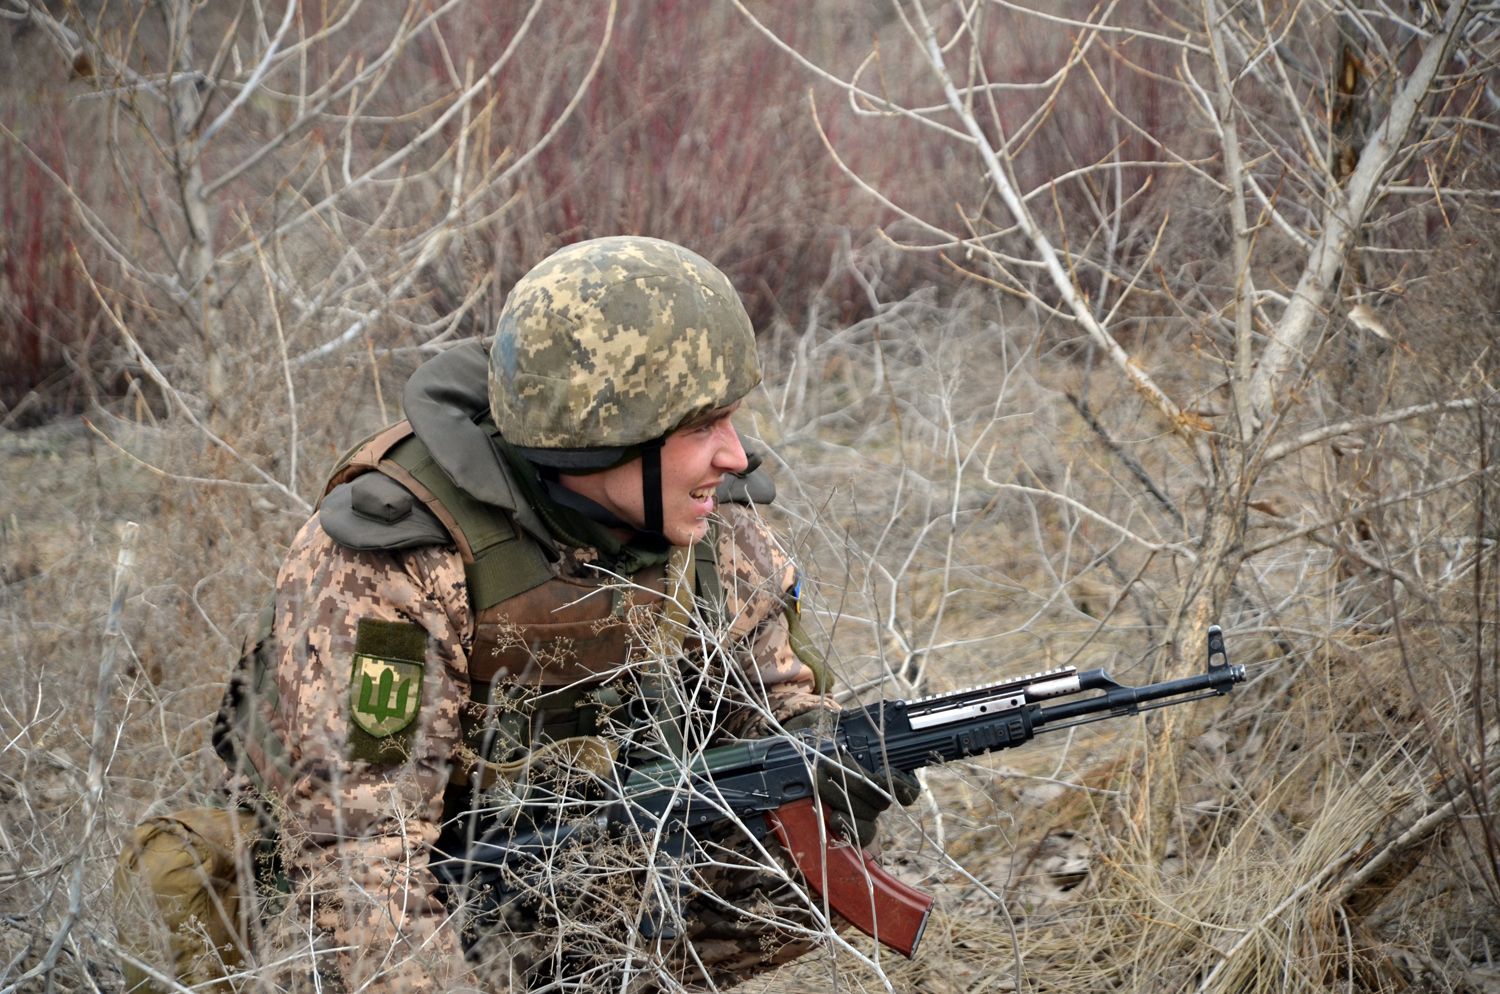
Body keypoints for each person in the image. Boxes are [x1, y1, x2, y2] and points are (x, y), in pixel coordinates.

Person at [115, 236, 914, 993]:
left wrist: (828, 756)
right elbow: (363, 862)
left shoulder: (712, 531)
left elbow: (769, 710)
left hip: (572, 857)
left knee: (788, 870)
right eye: (702, 426)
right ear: (604, 437)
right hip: (388, 885)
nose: (736, 454)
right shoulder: (399, 557)